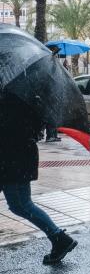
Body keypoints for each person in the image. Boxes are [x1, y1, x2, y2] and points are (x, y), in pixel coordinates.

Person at [1, 92, 77, 264]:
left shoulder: (14, 99)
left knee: (21, 204)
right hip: (14, 158)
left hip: (13, 159)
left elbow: (12, 130)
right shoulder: (23, 95)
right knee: (20, 204)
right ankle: (59, 238)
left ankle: (59, 237)